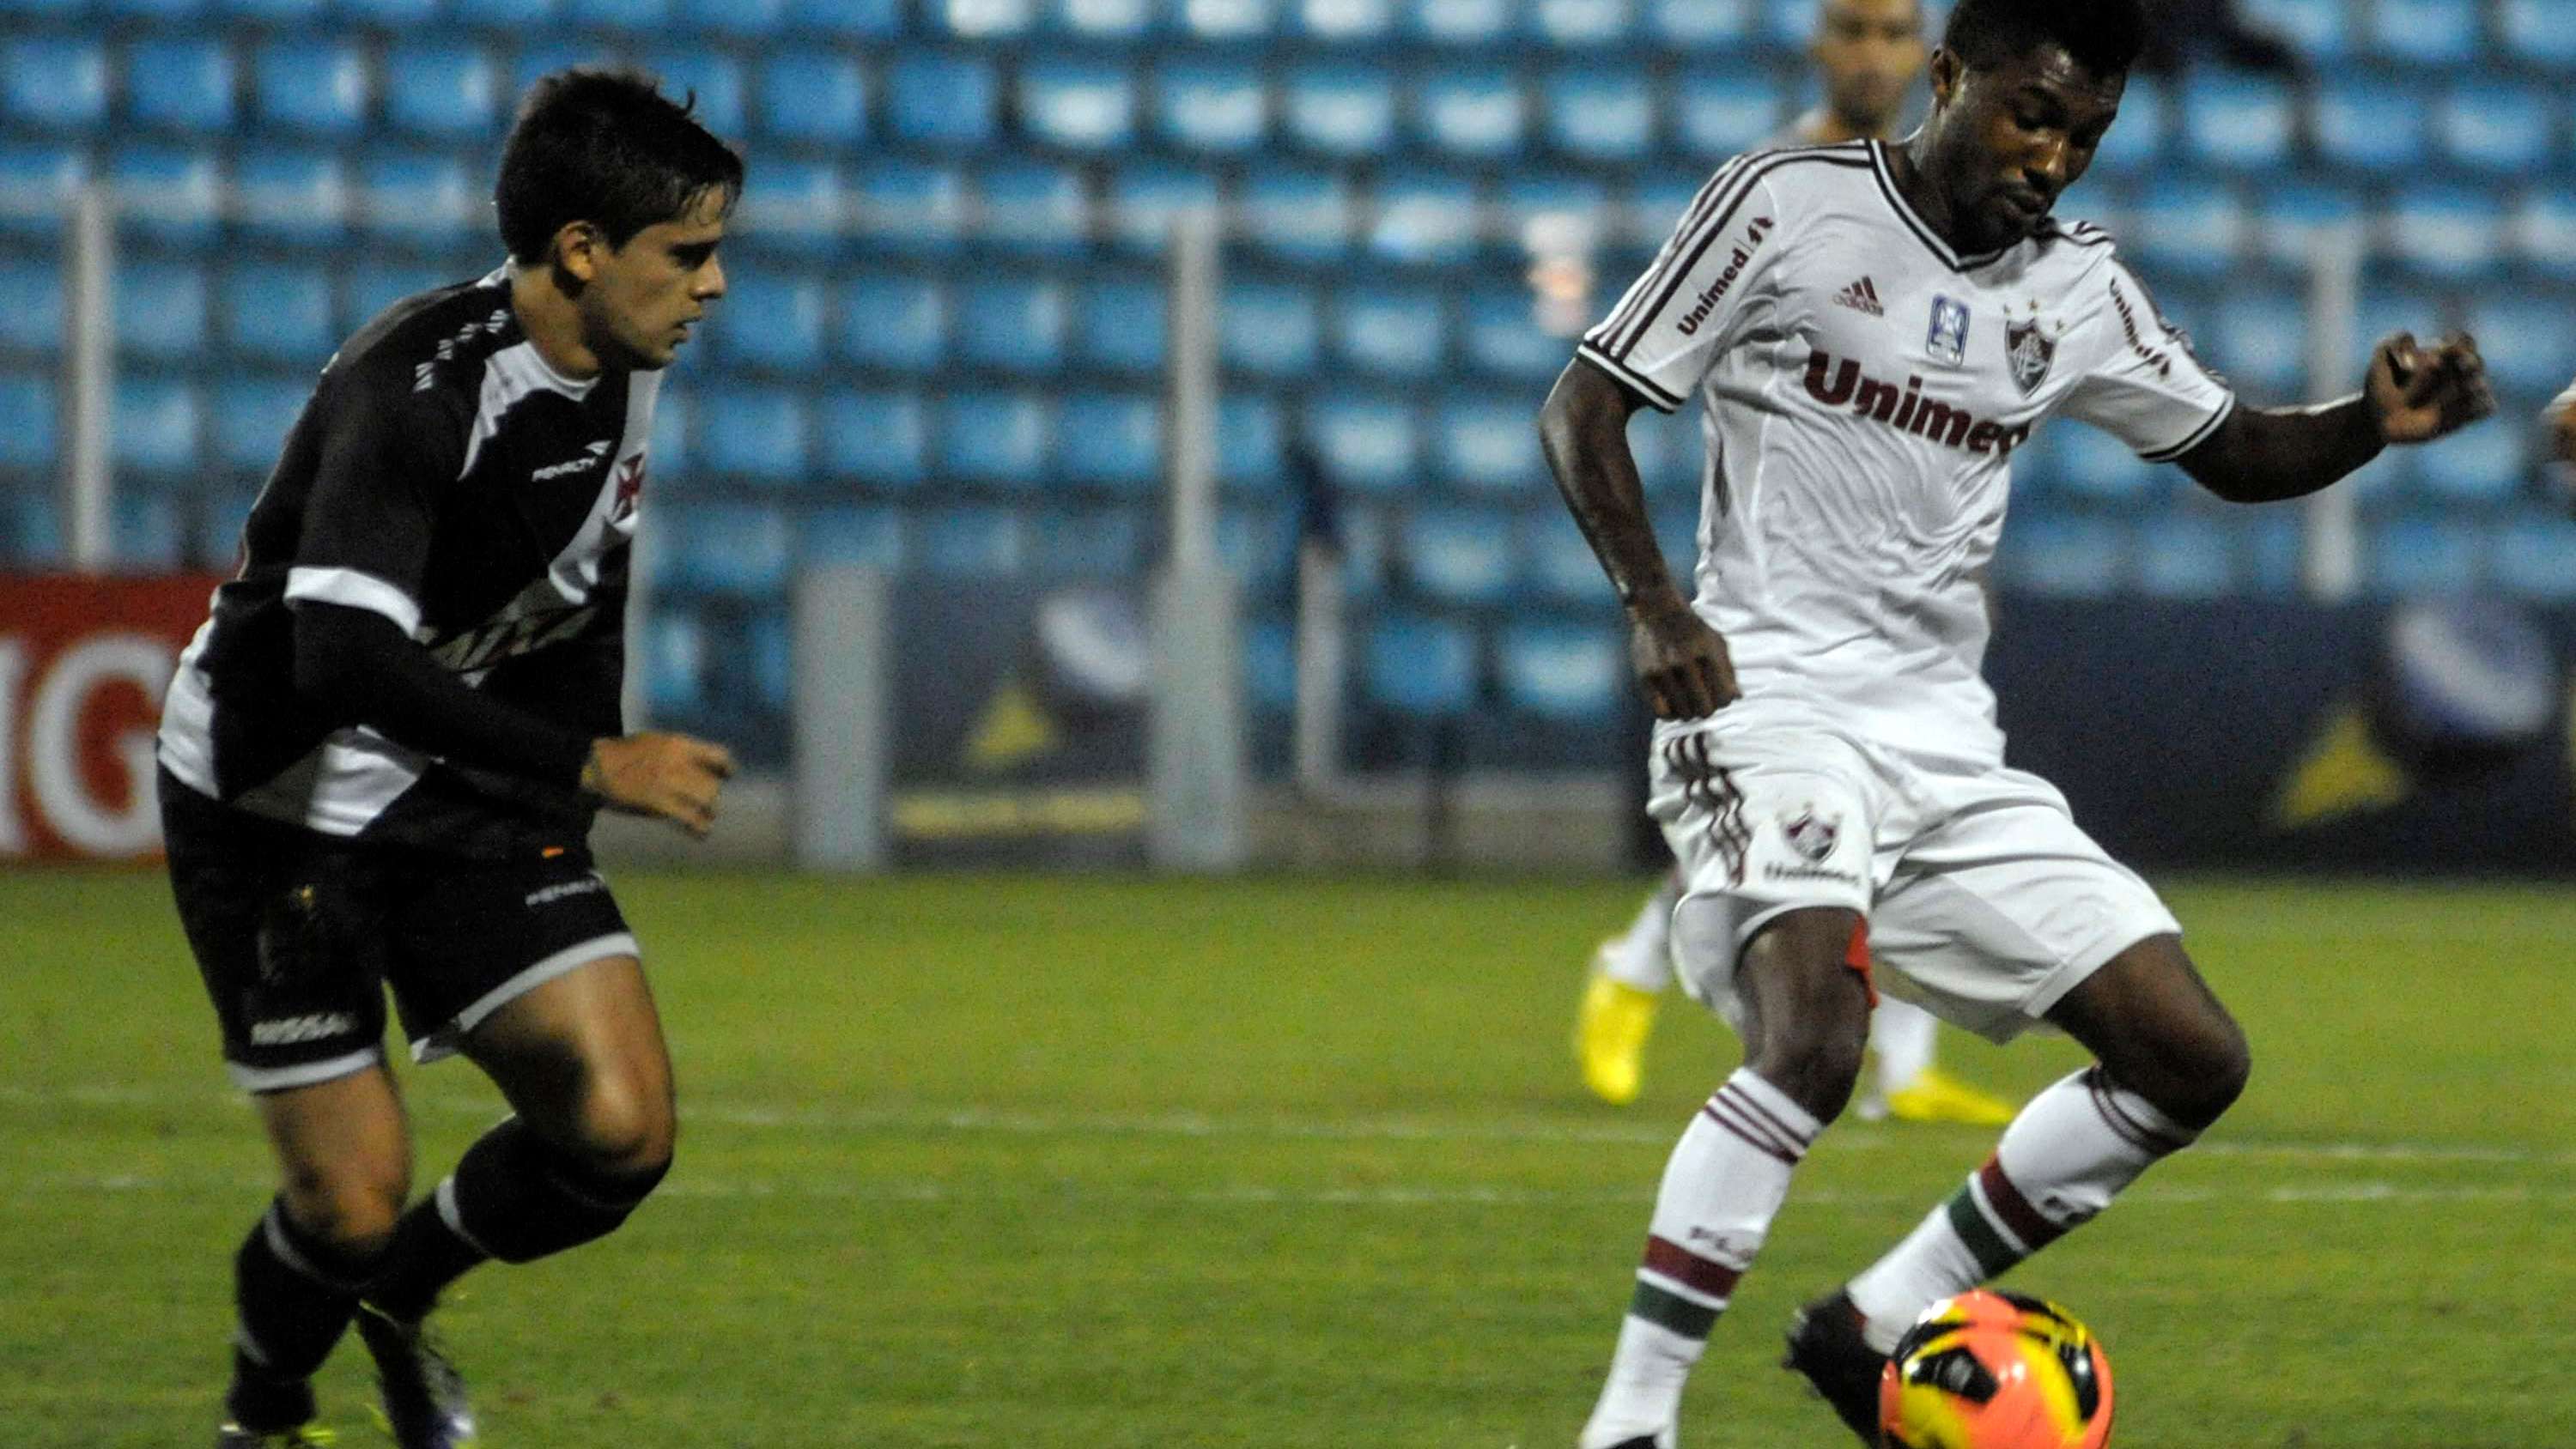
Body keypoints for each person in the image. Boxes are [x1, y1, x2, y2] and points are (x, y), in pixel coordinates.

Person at [1534, 0, 2494, 1443]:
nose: (2054, 159)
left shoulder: (2077, 292)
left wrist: (2366, 422)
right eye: (2032, 116)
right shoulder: (1783, 204)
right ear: (1949, 77)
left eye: (2087, 137)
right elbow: (1586, 407)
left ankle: (1870, 1325)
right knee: (1815, 1039)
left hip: (1940, 746)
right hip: (1770, 702)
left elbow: (2230, 449)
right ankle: (1631, 1422)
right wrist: (1656, 606)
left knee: (2190, 1057)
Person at [156, 70, 742, 1449]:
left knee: (620, 1132)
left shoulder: (623, 368)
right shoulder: (411, 389)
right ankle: (266, 1410)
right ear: (584, 252)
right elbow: (339, 661)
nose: (713, 288)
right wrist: (594, 766)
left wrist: (560, 811)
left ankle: (399, 1308)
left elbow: (583, 597)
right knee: (346, 1202)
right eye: (690, 255)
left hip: (463, 792)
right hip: (278, 803)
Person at [1576, 0, 2020, 1132]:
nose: (1871, 52)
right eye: (1850, 28)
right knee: (1796, 813)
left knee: (1901, 803)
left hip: (1908, 562)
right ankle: (1631, 972)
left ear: (1929, 52)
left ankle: (1903, 1067)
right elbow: (1670, 364)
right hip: (1780, 562)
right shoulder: (1773, 185)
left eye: (1891, 30)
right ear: (1818, 45)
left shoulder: (1965, 194)